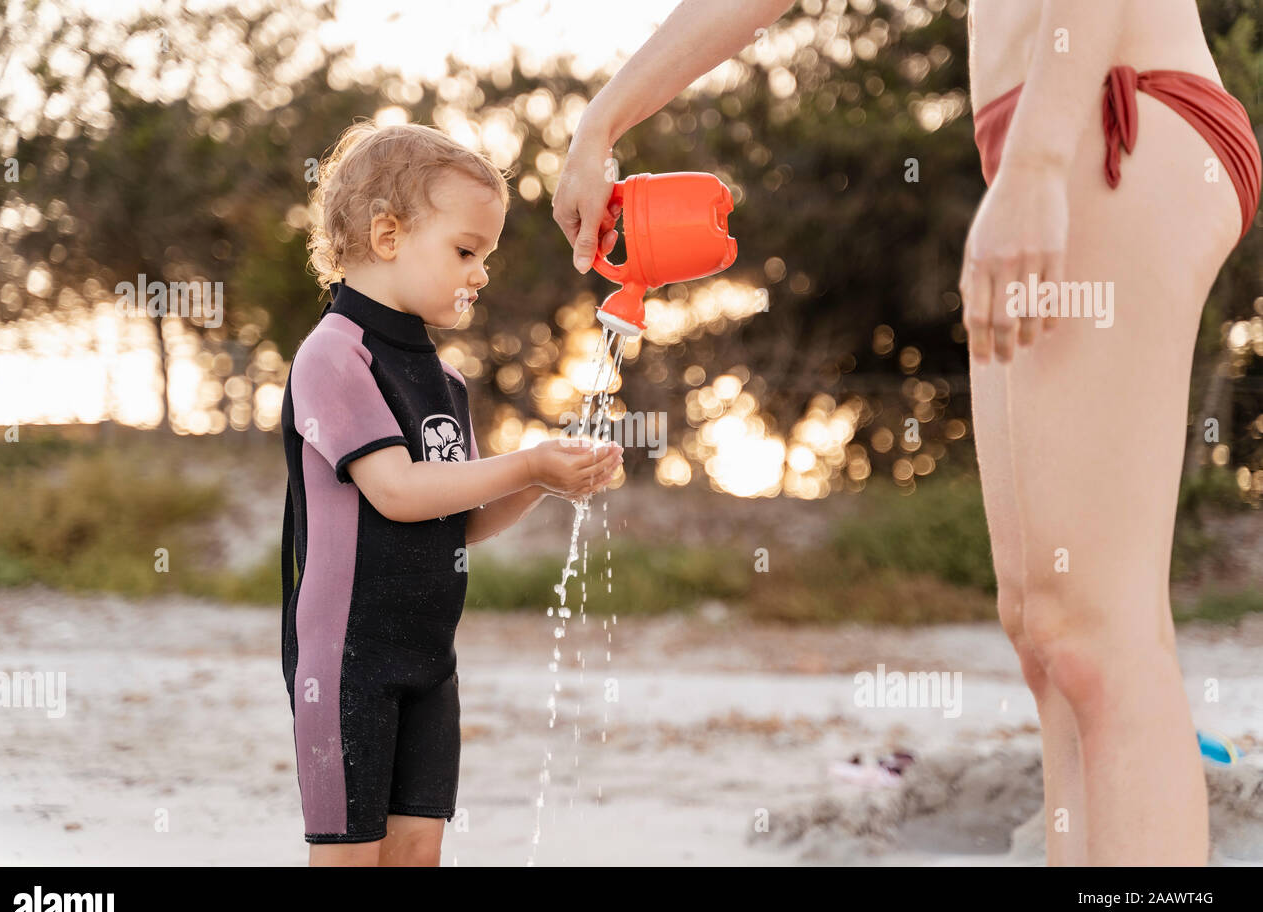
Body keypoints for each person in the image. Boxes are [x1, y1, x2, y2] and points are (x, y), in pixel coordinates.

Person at [552, 0, 1260, 866]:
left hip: (1113, 111)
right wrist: (603, 120)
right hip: (1054, 125)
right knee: (1048, 636)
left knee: (1096, 638)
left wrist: (1038, 162)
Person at [282, 121, 623, 866]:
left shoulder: (447, 383)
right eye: (466, 251)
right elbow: (399, 492)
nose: (481, 273)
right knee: (347, 859)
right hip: (348, 665)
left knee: (417, 857)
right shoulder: (334, 355)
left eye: (487, 257)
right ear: (387, 235)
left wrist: (552, 479)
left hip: (430, 663)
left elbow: (455, 518)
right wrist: (528, 464)